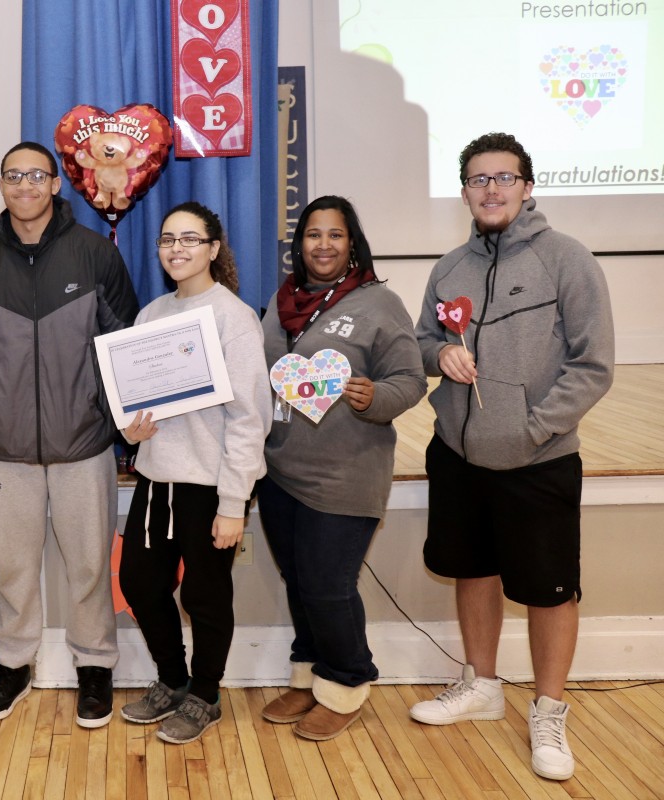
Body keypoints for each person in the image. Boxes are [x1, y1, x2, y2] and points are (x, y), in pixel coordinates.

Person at [408, 133, 614, 781]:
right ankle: (482, 686)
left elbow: (593, 366)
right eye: (477, 179)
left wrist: (533, 430)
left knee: (550, 591)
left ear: (528, 186)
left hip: (539, 459)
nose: (491, 189)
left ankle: (549, 710)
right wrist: (438, 355)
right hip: (458, 456)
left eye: (504, 177)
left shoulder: (568, 261)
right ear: (464, 190)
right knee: (473, 569)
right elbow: (419, 344)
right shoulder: (450, 268)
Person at [0, 141, 139, 727]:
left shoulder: (95, 256)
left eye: (38, 175)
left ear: (57, 184)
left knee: (88, 565)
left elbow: (122, 347)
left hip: (83, 444)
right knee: (11, 566)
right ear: (1, 184)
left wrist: (107, 418)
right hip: (6, 451)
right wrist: (5, 408)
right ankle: (13, 666)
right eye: (14, 175)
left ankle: (94, 667)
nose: (26, 185)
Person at [257, 195, 426, 741]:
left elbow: (411, 379)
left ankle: (347, 683)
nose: (323, 245)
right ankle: (308, 676)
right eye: (312, 235)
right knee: (300, 582)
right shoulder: (281, 301)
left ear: (352, 242)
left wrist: (374, 395)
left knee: (329, 586)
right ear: (298, 243)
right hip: (280, 472)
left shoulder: (380, 304)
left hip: (346, 475)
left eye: (335, 235)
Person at [117, 202, 269, 744]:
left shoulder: (233, 317)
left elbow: (251, 417)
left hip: (211, 486)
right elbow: (137, 404)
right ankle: (173, 680)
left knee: (205, 596)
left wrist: (234, 503)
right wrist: (133, 433)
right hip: (157, 479)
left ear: (213, 248)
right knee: (139, 582)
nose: (176, 248)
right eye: (166, 239)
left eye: (189, 239)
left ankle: (206, 695)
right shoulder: (151, 315)